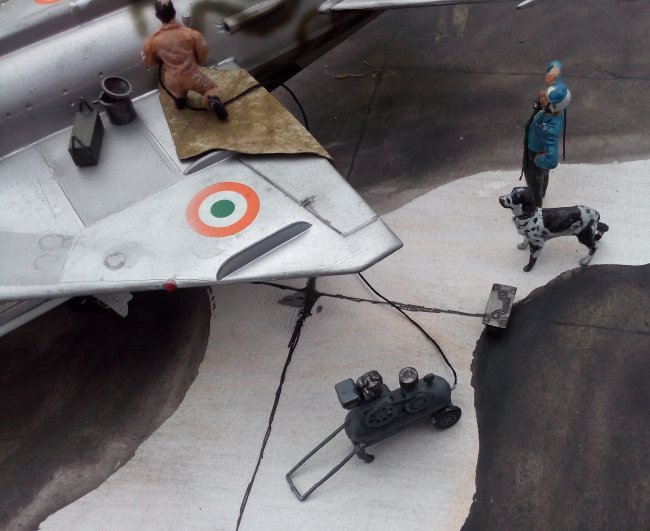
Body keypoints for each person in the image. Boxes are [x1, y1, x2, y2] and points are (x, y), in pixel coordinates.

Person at [141, 0, 228, 120]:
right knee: (211, 88)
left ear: (157, 16)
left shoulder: (152, 41)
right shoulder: (191, 34)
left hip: (172, 80)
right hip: (193, 76)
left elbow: (148, 62)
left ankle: (180, 99)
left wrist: (159, 60)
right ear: (174, 12)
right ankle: (213, 102)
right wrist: (198, 62)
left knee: (177, 91)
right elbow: (202, 51)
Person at [521, 60, 571, 207]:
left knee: (534, 184)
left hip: (535, 152)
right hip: (538, 149)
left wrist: (537, 161)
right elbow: (555, 64)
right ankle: (542, 192)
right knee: (544, 175)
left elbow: (552, 160)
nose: (542, 95)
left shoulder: (550, 129)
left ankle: (536, 209)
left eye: (545, 99)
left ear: (552, 107)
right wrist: (555, 68)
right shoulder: (558, 95)